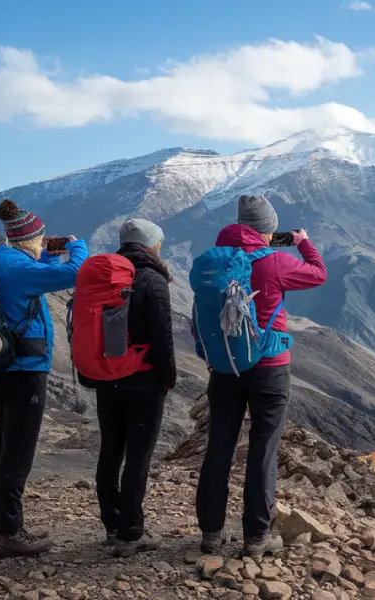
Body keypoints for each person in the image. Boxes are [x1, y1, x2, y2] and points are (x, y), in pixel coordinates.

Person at [196, 195, 327, 558]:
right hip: (269, 368)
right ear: (267, 230)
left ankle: (210, 533)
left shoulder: (216, 262)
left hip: (224, 368)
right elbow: (319, 274)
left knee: (219, 448)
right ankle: (256, 537)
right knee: (262, 452)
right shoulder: (275, 261)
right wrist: (303, 244)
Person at [0, 199, 87, 557]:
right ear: (29, 239)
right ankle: (11, 536)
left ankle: (1, 527)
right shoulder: (19, 270)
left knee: (3, 448)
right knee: (17, 454)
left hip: (1, 364)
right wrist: (75, 244)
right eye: (42, 237)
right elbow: (75, 272)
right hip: (25, 369)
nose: (46, 241)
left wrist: (48, 253)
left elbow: (38, 273)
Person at [78, 219, 177, 557]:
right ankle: (131, 532)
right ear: (151, 245)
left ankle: (111, 523)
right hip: (144, 382)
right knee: (138, 456)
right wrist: (167, 377)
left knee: (111, 450)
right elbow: (163, 335)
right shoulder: (153, 280)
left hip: (107, 378)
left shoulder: (105, 280)